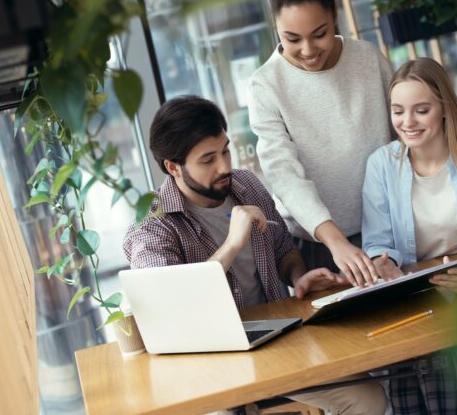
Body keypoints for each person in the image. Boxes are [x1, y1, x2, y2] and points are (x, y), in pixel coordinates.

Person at [123, 96, 387, 415]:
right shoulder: (153, 225)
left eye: (225, 150)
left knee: (367, 397)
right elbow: (171, 307)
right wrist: (232, 244)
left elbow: (283, 251)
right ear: (172, 167)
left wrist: (298, 277)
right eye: (208, 159)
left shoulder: (245, 185)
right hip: (209, 362)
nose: (224, 167)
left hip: (277, 342)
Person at [362, 58, 457, 415]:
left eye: (421, 110)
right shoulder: (381, 164)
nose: (407, 122)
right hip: (413, 289)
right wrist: (383, 265)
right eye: (398, 111)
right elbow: (379, 242)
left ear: (444, 108)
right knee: (408, 357)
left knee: (432, 356)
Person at [248, 0, 393, 288]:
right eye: (292, 39)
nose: (309, 49)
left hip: (390, 236)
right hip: (319, 248)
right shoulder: (265, 85)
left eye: (320, 33)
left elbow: (404, 136)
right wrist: (336, 242)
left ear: (335, 18)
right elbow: (284, 175)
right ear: (276, 28)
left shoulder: (368, 59)